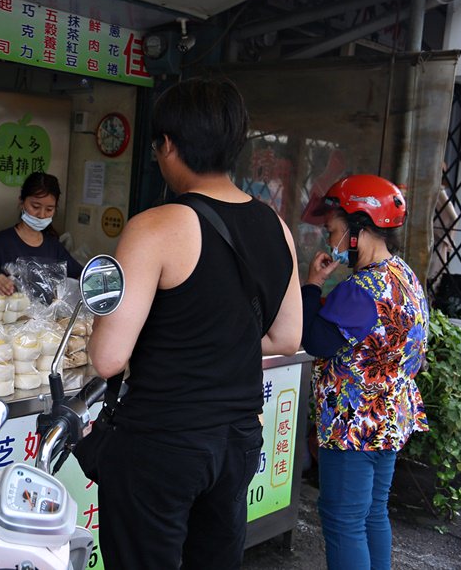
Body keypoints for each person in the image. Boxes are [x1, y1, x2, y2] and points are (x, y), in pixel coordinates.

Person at [87, 78, 303, 569]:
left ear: (168, 145)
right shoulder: (277, 226)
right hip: (238, 442)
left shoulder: (155, 227)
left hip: (162, 444)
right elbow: (288, 338)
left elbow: (107, 359)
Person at [301, 174, 428, 570]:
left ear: (358, 228)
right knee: (372, 514)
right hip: (389, 419)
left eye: (333, 230)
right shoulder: (403, 276)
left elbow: (315, 340)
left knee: (343, 521)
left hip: (353, 425)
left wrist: (312, 284)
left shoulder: (361, 289)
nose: (330, 240)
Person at [0, 172, 81, 298]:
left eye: (49, 209)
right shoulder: (1, 242)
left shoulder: (53, 245)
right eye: (35, 206)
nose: (41, 215)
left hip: (45, 317)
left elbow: (81, 275)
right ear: (22, 202)